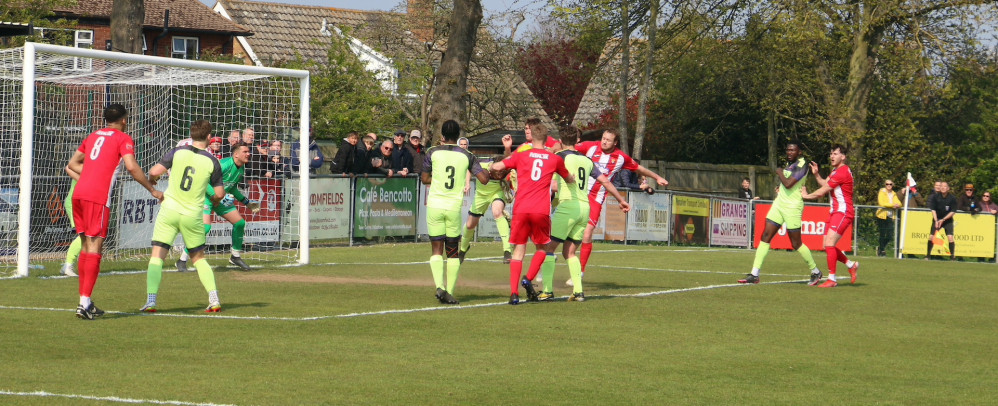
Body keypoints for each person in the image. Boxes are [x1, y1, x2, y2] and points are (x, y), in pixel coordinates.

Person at [64, 103, 163, 320]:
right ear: (124, 120)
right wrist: (152, 189)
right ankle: (83, 303)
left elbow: (72, 164)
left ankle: (85, 301)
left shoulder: (92, 136)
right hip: (97, 196)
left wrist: (91, 172)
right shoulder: (122, 138)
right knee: (95, 247)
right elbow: (132, 167)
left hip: (79, 194)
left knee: (85, 246)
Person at [535, 126, 630, 302]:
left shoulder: (559, 157)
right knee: (569, 253)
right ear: (577, 141)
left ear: (561, 142)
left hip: (567, 208)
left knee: (548, 249)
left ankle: (547, 290)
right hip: (584, 208)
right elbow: (606, 182)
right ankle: (578, 291)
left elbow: (549, 180)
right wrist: (621, 200)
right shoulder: (587, 161)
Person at [141, 119, 226, 313]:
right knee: (198, 258)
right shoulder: (212, 161)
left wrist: (154, 180)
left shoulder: (177, 152)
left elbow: (153, 172)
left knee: (157, 256)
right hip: (192, 214)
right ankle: (214, 299)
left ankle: (151, 301)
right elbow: (219, 194)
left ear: (191, 134)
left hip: (169, 210)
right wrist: (213, 200)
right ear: (209, 137)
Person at [489, 121, 574, 305]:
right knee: (543, 249)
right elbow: (569, 178)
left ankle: (513, 294)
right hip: (540, 210)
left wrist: (489, 168)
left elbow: (499, 166)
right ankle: (528, 279)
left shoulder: (521, 155)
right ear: (546, 139)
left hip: (521, 209)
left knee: (518, 251)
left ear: (531, 137)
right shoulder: (555, 159)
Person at [572, 128, 669, 286]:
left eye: (608, 140)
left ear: (615, 143)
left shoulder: (620, 157)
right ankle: (546, 264)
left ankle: (580, 271)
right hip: (576, 195)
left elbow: (639, 168)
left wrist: (657, 177)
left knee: (587, 233)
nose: (604, 142)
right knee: (562, 233)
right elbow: (566, 148)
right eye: (603, 138)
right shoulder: (589, 146)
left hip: (595, 199)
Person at [421, 120, 490, 305]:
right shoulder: (467, 155)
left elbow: (424, 178)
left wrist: (438, 178)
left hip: (434, 205)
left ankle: (439, 286)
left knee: (436, 249)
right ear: (458, 136)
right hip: (453, 207)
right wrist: (493, 172)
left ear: (442, 136)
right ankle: (449, 291)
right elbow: (483, 179)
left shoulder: (432, 152)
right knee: (452, 251)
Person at [737, 140, 822, 285]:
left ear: (799, 152)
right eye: (788, 150)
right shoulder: (791, 164)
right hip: (779, 204)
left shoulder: (802, 165)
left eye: (792, 150)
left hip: (792, 207)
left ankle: (815, 271)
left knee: (796, 243)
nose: (789, 153)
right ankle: (754, 274)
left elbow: (789, 184)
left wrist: (779, 171)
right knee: (765, 236)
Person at [176, 141, 259, 272]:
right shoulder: (223, 165)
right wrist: (218, 195)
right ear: (236, 154)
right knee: (205, 228)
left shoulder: (241, 167)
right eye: (245, 152)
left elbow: (232, 188)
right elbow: (203, 181)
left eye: (248, 152)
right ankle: (182, 260)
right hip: (206, 198)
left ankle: (235, 256)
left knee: (240, 223)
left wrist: (247, 202)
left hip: (219, 199)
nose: (248, 154)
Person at [801, 144, 859, 287]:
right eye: (831, 153)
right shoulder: (835, 171)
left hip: (844, 212)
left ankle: (832, 279)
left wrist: (806, 196)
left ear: (843, 157)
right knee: (827, 245)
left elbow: (822, 191)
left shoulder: (842, 172)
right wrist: (816, 174)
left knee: (829, 244)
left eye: (835, 154)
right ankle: (851, 265)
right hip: (835, 212)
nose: (832, 156)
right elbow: (825, 184)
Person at [458, 152, 514, 264]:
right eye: (498, 171)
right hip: (481, 196)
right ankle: (463, 249)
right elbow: (470, 168)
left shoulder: (506, 170)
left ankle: (507, 250)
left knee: (497, 212)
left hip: (497, 193)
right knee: (470, 225)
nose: (500, 174)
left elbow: (511, 157)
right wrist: (467, 183)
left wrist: (508, 147)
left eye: (502, 171)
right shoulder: (483, 166)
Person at [926, 181, 957, 260]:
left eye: (945, 186)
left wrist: (943, 219)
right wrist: (936, 220)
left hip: (947, 220)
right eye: (941, 186)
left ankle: (952, 256)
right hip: (937, 219)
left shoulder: (952, 198)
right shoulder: (935, 197)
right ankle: (928, 255)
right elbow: (933, 210)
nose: (943, 188)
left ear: (948, 188)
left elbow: (953, 211)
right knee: (932, 237)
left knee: (950, 237)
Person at [60, 177, 80, 277]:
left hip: (80, 203)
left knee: (88, 236)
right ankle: (68, 266)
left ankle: (70, 265)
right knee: (84, 236)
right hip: (75, 204)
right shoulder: (84, 164)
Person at [875, 179, 901, 257]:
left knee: (889, 235)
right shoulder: (882, 191)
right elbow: (881, 203)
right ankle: (882, 251)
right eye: (887, 184)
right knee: (882, 234)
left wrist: (898, 205)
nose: (889, 185)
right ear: (885, 185)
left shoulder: (894, 193)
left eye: (890, 184)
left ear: (892, 185)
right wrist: (893, 205)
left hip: (890, 216)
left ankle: (880, 248)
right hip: (881, 215)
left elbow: (899, 203)